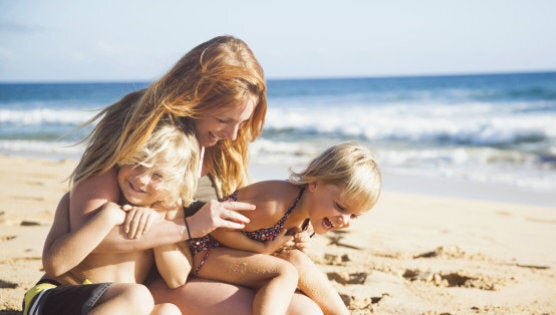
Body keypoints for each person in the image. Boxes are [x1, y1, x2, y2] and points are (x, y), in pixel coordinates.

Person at [39, 35, 322, 314]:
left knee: (305, 308)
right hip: (148, 282)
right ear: (193, 98)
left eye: (242, 122)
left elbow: (235, 226)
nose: (233, 134)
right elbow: (88, 236)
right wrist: (183, 228)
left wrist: (291, 230)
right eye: (223, 119)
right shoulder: (137, 127)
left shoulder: (226, 145)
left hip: (196, 266)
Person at [187, 142, 382, 315]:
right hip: (205, 252)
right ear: (314, 183)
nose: (344, 220)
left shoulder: (306, 210)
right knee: (286, 272)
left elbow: (277, 243)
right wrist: (262, 249)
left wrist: (296, 244)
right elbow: (218, 228)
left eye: (353, 215)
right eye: (340, 207)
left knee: (297, 260)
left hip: (236, 254)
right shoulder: (273, 204)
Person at [24, 124, 199, 314]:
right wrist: (107, 216)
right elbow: (55, 265)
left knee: (168, 311)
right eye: (138, 163)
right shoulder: (83, 202)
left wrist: (158, 226)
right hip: (53, 299)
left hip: (115, 306)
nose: (141, 179)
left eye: (157, 175)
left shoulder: (167, 212)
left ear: (175, 182)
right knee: (138, 296)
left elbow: (177, 278)